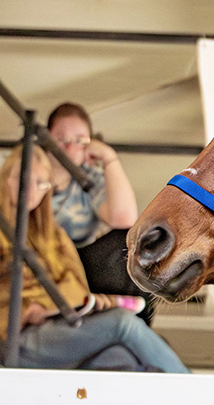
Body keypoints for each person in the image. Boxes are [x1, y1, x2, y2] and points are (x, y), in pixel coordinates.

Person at [0, 145, 188, 373]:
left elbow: (77, 289)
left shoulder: (54, 235)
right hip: (14, 337)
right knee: (124, 324)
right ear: (5, 178)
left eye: (40, 183)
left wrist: (52, 307)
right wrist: (26, 310)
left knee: (122, 357)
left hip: (61, 329)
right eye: (22, 178)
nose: (30, 189)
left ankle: (168, 403)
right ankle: (193, 389)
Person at [46, 102, 150, 316]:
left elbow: (125, 219)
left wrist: (109, 158)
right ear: (46, 139)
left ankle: (133, 326)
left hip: (81, 263)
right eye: (61, 139)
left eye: (79, 140)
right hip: (40, 257)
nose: (68, 148)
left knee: (133, 243)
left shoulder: (89, 178)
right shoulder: (29, 170)